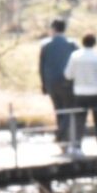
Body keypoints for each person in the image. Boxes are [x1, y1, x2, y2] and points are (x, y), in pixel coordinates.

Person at [64, 33, 97, 158]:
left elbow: (68, 74)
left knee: (79, 120)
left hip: (80, 93)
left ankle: (77, 146)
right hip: (96, 93)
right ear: (94, 43)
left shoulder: (75, 56)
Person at [39, 19, 77, 150]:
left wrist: (43, 84)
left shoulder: (45, 45)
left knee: (59, 110)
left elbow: (41, 66)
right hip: (67, 82)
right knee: (68, 110)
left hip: (51, 82)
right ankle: (62, 136)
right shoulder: (72, 44)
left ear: (53, 29)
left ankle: (62, 139)